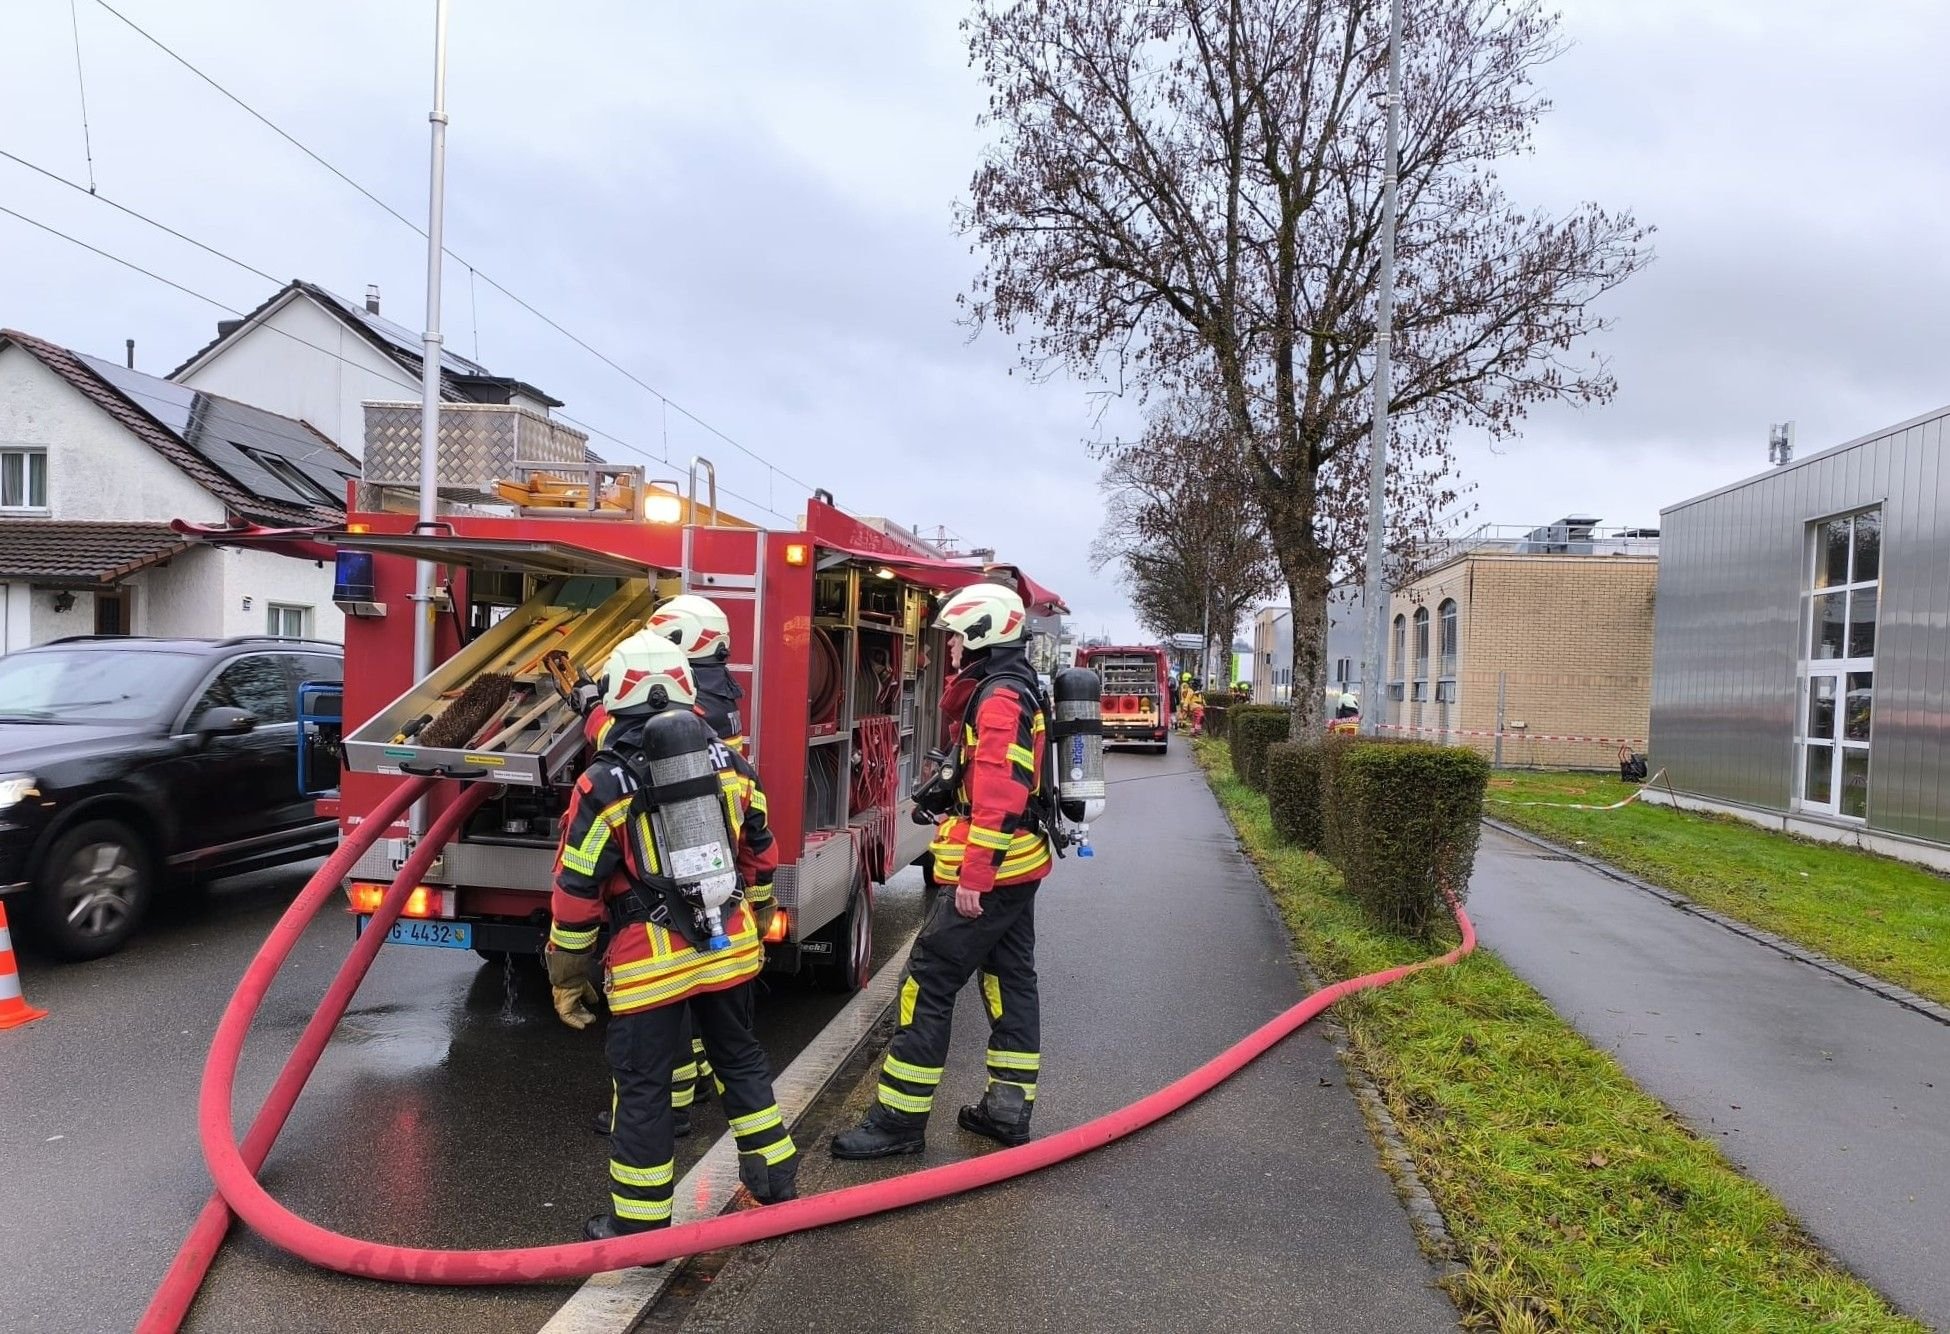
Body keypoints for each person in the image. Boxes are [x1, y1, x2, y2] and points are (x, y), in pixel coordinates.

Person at [545, 631, 795, 1240]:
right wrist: (758, 914)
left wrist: (568, 974)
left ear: (617, 699)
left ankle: (640, 1228)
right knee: (740, 1060)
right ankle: (776, 1182)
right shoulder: (731, 763)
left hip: (648, 965)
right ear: (688, 692)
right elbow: (762, 851)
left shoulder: (602, 784)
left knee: (645, 1088)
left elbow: (577, 889)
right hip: (729, 948)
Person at [831, 582, 1052, 1159]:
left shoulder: (999, 698)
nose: (949, 648)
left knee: (926, 982)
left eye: (956, 636)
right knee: (1010, 981)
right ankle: (1006, 1110)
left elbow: (1000, 792)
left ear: (981, 635)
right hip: (1019, 864)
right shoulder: (1013, 686)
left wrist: (974, 877)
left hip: (994, 872)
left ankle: (898, 1123)